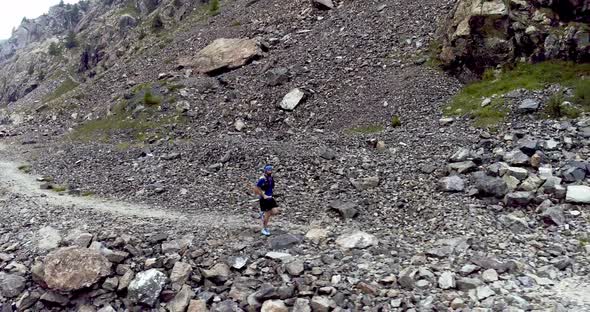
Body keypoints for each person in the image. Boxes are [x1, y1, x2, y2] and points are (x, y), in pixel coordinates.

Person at [254, 165, 279, 236]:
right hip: (264, 199)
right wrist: (263, 195)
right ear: (265, 171)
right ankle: (264, 228)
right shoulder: (262, 179)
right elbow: (256, 188)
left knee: (275, 211)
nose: (270, 171)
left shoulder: (271, 178)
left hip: (270, 197)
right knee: (267, 215)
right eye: (268, 170)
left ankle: (262, 213)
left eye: (271, 170)